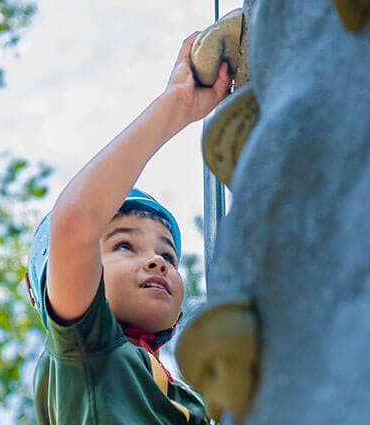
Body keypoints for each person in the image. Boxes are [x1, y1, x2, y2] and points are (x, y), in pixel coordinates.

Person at [25, 32, 231, 424]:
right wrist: (177, 106)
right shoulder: (88, 350)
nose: (157, 262)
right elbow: (75, 224)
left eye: (167, 254)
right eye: (123, 246)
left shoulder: (183, 396)